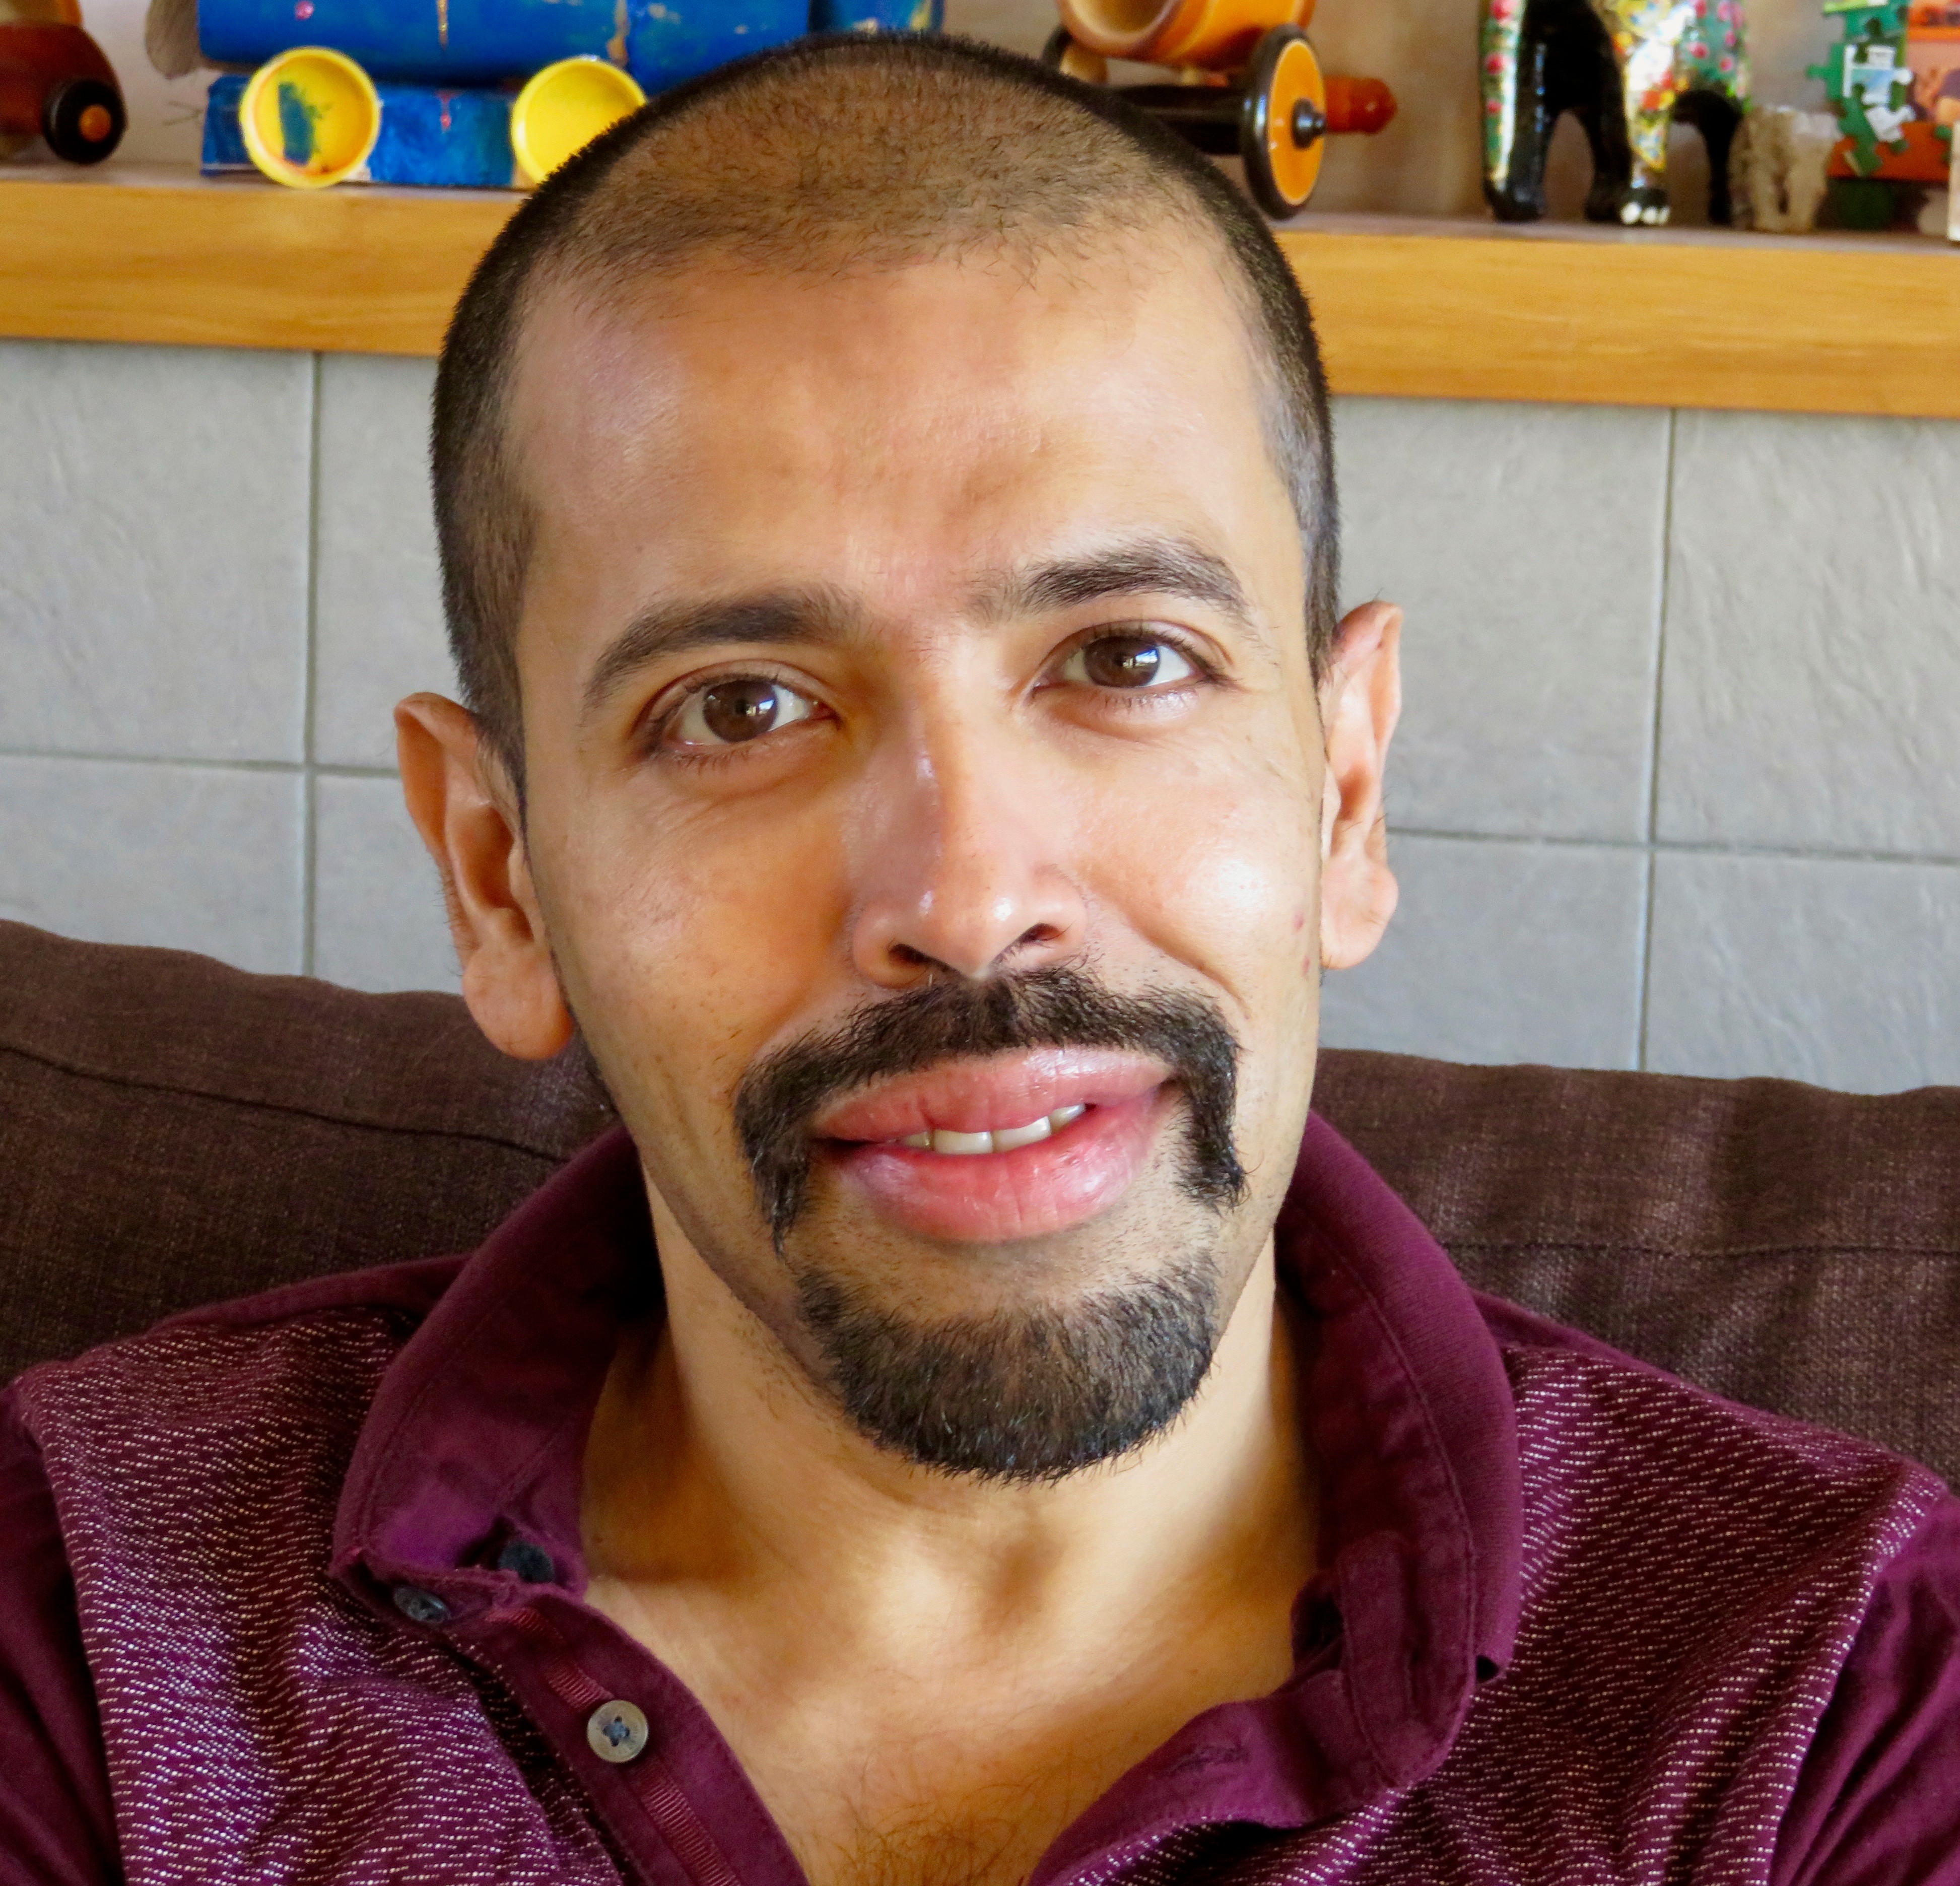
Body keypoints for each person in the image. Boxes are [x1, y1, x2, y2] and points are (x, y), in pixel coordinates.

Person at [3, 33, 1958, 1886]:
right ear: (501, 878)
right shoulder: (76, 1630)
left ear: (1343, 794)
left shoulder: (1834, 1716)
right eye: (742, 707)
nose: (967, 889)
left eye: (1122, 659)